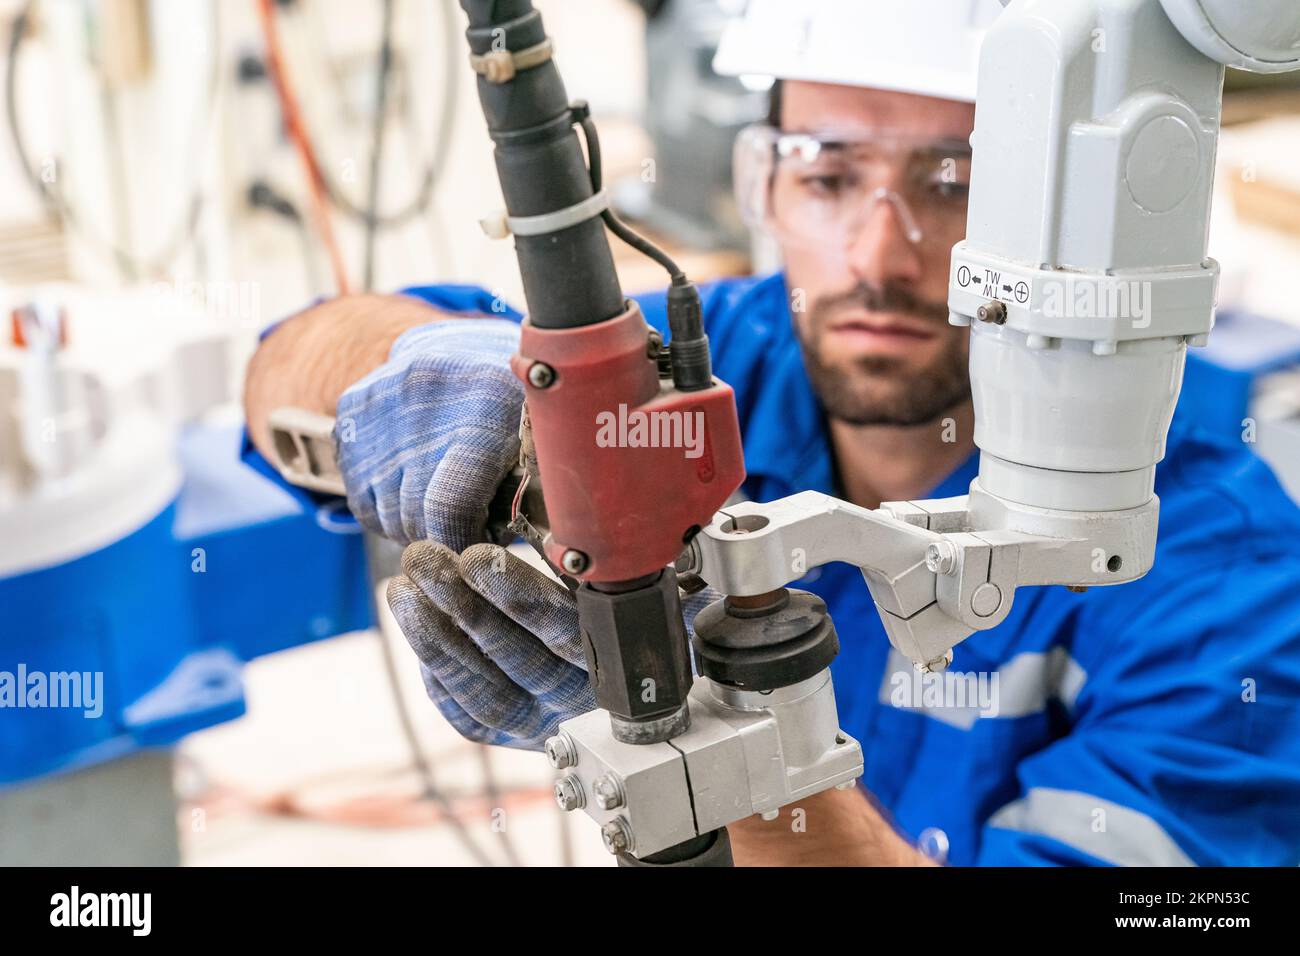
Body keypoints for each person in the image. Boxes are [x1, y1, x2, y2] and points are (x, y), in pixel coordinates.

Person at [243, 0, 1300, 866]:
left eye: (954, 180)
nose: (876, 252)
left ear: (1078, 226)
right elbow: (288, 362)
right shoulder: (729, 360)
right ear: (764, 187)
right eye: (827, 174)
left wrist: (736, 764)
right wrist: (459, 395)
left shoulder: (1219, 559)